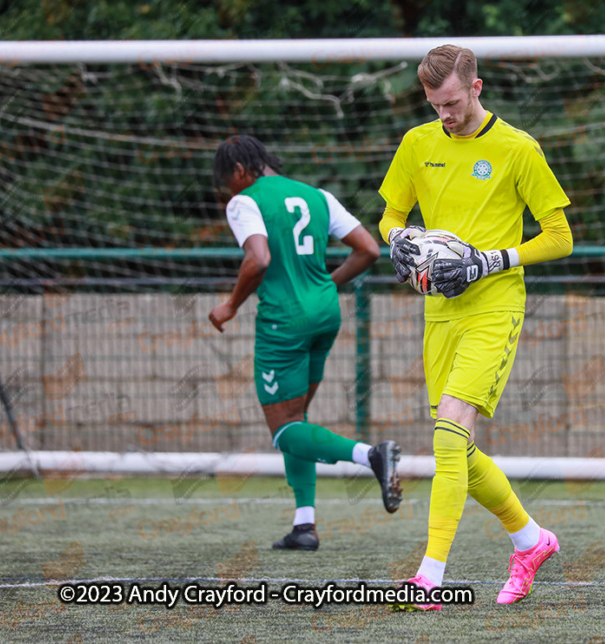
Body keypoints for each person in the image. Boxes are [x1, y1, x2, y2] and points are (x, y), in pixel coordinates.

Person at [378, 45, 574, 609]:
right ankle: (531, 541)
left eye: (454, 102)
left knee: (447, 436)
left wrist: (493, 260)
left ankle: (428, 578)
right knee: (456, 449)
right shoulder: (417, 143)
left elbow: (559, 236)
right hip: (438, 310)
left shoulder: (518, 149)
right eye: (435, 105)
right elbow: (392, 214)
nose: (446, 114)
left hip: (495, 307)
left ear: (477, 88)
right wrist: (398, 240)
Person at [209, 134, 402, 552]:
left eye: (230, 182)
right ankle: (304, 525)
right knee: (298, 419)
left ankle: (371, 455)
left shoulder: (246, 201)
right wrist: (324, 287)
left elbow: (258, 259)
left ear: (241, 171)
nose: (231, 191)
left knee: (284, 429)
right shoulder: (317, 196)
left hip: (284, 322)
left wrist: (229, 306)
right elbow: (369, 249)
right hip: (325, 314)